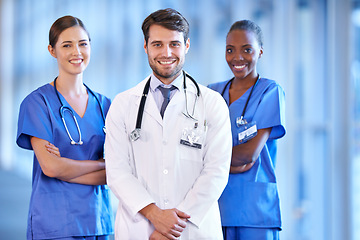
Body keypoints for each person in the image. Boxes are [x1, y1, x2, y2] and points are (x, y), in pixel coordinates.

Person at [104, 8, 232, 240]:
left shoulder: (212, 103)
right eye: (157, 44)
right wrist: (155, 215)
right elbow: (116, 172)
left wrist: (171, 227)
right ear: (145, 46)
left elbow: (216, 172)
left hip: (193, 230)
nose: (166, 52)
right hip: (140, 229)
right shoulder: (123, 104)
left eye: (174, 44)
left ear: (187, 46)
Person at [16, 16, 114, 240]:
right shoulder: (37, 103)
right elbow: (50, 168)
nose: (76, 51)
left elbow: (116, 173)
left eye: (83, 43)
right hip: (54, 223)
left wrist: (65, 168)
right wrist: (99, 164)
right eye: (66, 45)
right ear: (52, 50)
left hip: (99, 220)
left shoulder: (105, 105)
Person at [208, 20, 286, 240]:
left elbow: (250, 154)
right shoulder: (212, 94)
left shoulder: (270, 91)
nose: (237, 57)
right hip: (216, 207)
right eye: (230, 50)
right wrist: (227, 163)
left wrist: (212, 163)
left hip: (256, 210)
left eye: (247, 50)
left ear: (260, 52)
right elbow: (196, 151)